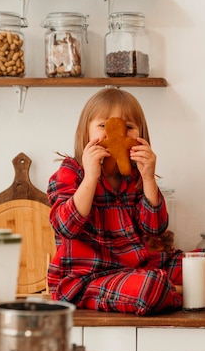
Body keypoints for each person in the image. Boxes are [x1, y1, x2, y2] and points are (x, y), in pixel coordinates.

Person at [47, 87, 183, 315]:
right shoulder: (72, 172)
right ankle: (193, 291)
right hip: (87, 279)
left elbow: (156, 229)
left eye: (128, 127)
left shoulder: (136, 177)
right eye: (104, 126)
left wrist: (148, 177)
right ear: (86, 133)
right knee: (149, 287)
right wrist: (91, 178)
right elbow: (65, 227)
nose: (116, 135)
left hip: (140, 267)